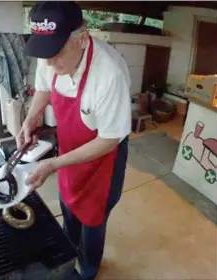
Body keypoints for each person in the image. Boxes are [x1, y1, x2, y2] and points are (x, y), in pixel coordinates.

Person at [17, 1, 132, 279]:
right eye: (44, 54)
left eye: (55, 53)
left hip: (104, 156)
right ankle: (69, 252)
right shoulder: (51, 56)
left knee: (93, 218)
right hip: (69, 147)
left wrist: (53, 164)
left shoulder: (109, 74)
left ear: (82, 38)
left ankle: (89, 268)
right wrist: (31, 118)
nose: (48, 62)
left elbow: (109, 139)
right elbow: (44, 86)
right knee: (68, 202)